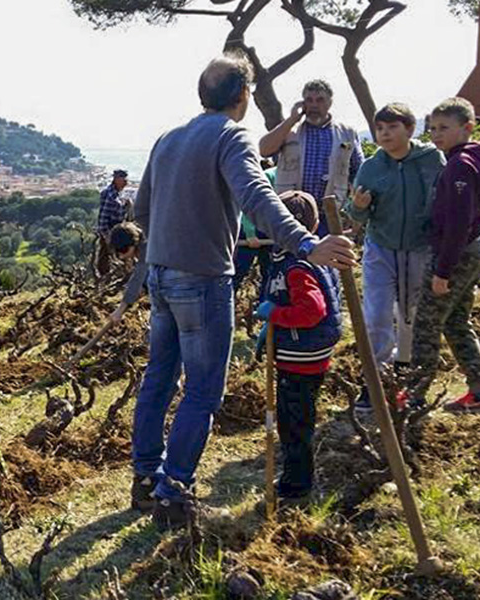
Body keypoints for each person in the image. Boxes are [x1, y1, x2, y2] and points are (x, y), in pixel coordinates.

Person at [128, 52, 356, 527]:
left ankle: (146, 479)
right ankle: (173, 493)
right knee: (203, 391)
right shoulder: (232, 135)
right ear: (245, 96)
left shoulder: (167, 138)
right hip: (203, 280)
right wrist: (306, 243)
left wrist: (167, 247)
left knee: (159, 377)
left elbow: (143, 212)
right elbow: (257, 195)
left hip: (161, 275)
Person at [401, 98, 480, 413]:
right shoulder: (479, 158)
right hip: (476, 247)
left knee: (427, 323)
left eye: (444, 128)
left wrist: (442, 272)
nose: (436, 134)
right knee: (457, 321)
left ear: (467, 128)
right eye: (432, 128)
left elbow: (458, 223)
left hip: (456, 251)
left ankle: (415, 396)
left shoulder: (461, 164)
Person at [346, 103, 446, 412]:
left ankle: (409, 380)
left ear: (410, 129)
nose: (385, 134)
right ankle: (374, 382)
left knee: (412, 315)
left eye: (392, 127)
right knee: (376, 315)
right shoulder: (372, 167)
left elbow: (445, 200)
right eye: (380, 128)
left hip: (420, 247)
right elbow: (355, 213)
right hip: (381, 247)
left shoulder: (431, 160)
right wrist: (359, 206)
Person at [254, 191, 343, 501]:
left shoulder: (297, 266)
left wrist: (275, 315)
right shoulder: (303, 257)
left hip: (301, 357)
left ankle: (297, 485)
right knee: (296, 418)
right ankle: (297, 475)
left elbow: (312, 311)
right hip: (302, 353)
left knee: (294, 424)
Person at [259, 80, 364, 236]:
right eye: (309, 100)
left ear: (330, 102)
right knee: (291, 259)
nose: (314, 105)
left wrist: (353, 210)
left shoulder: (347, 133)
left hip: (330, 215)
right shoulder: (289, 130)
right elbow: (264, 150)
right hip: (292, 212)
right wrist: (291, 119)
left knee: (325, 259)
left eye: (320, 100)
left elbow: (359, 173)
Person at [96, 169, 131, 278]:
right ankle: (105, 280)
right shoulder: (111, 196)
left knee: (116, 256)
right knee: (107, 258)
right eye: (123, 179)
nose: (126, 182)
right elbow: (103, 217)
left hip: (117, 229)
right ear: (116, 180)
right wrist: (106, 235)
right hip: (111, 230)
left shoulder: (117, 192)